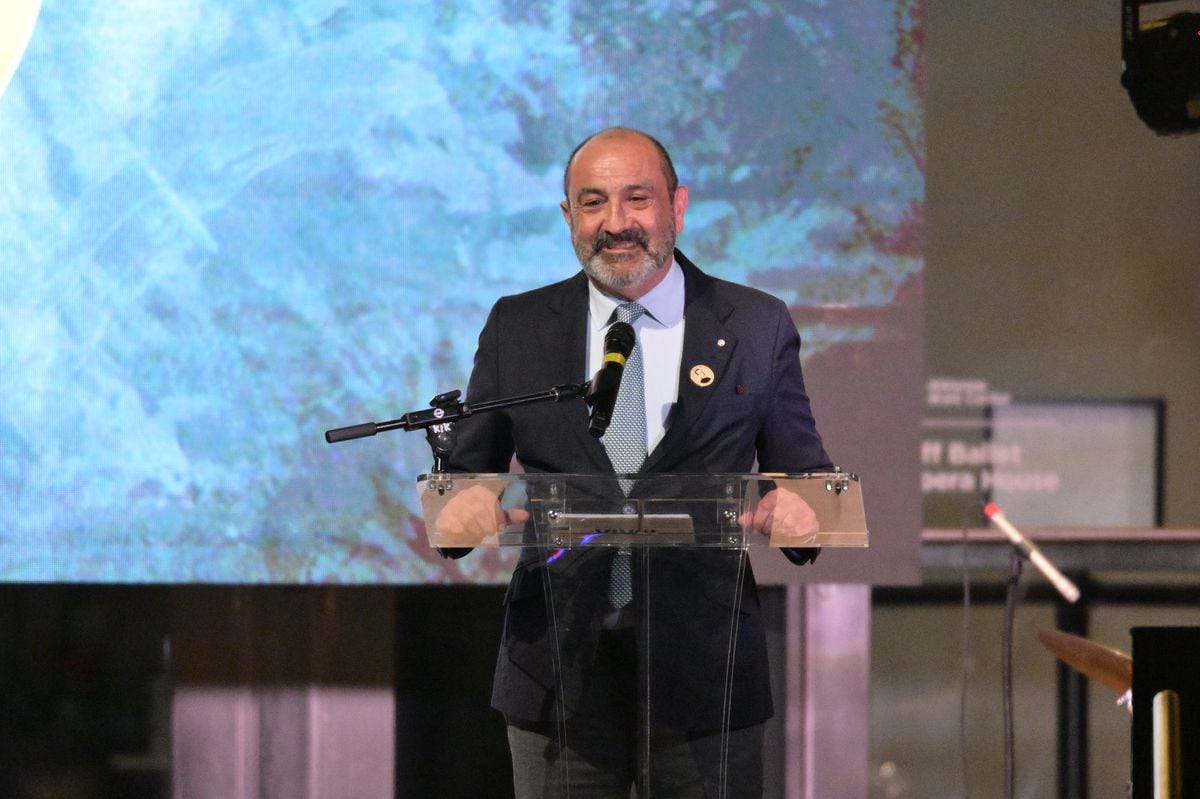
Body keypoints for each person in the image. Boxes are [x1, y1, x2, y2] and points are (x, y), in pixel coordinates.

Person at [443, 127, 831, 798]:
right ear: (568, 217)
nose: (616, 223)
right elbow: (467, 482)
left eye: (637, 199)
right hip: (557, 670)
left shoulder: (755, 324)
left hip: (708, 673)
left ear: (677, 207)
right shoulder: (518, 325)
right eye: (592, 203)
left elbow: (808, 479)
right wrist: (466, 505)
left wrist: (804, 509)